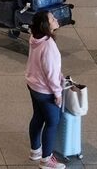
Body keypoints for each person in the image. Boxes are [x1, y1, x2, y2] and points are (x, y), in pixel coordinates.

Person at [26, 11, 64, 169]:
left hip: (33, 84)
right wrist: (58, 93)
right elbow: (51, 73)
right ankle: (46, 160)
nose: (56, 20)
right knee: (52, 122)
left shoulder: (35, 37)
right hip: (45, 91)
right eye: (52, 19)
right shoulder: (49, 45)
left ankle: (35, 150)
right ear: (45, 26)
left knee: (37, 116)